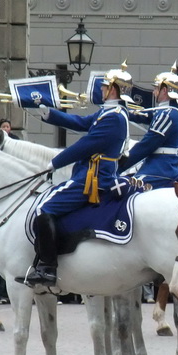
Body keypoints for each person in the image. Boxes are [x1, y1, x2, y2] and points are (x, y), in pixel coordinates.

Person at [24, 67, 133, 287]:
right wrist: (49, 113)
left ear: (113, 90)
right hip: (90, 172)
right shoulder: (109, 113)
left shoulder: (114, 118)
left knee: (43, 209)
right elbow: (81, 123)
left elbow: (86, 145)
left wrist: (55, 162)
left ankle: (47, 267)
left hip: (94, 177)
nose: (101, 89)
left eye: (104, 86)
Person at [119, 66, 178, 189]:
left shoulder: (167, 114)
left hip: (160, 168)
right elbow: (144, 116)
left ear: (164, 90)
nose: (154, 92)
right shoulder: (170, 110)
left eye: (156, 88)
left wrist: (119, 165)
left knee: (126, 190)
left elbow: (146, 145)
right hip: (159, 164)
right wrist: (121, 109)